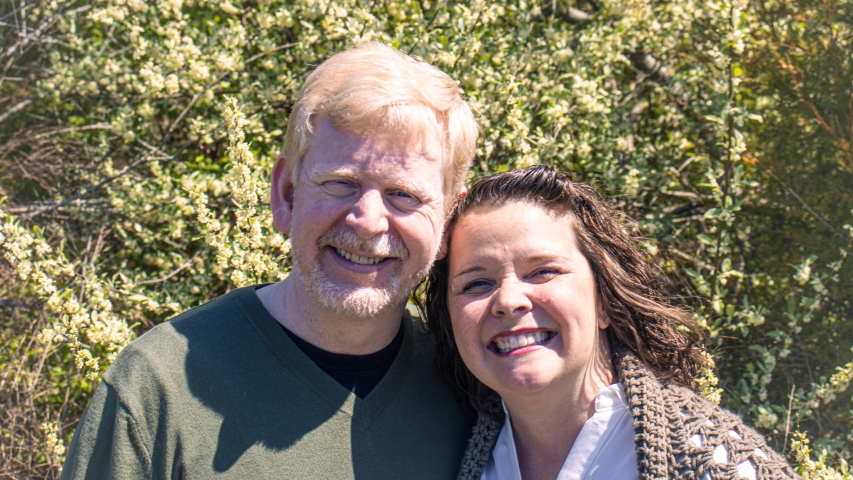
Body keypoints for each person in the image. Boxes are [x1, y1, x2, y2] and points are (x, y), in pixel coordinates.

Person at [60, 42, 479, 478]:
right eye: (341, 183)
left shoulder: (473, 387)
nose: (368, 221)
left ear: (448, 221)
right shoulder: (154, 389)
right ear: (286, 195)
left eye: (404, 195)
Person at [424, 166, 797, 480]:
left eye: (542, 272)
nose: (507, 300)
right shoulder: (446, 455)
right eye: (476, 283)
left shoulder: (713, 460)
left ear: (604, 299)